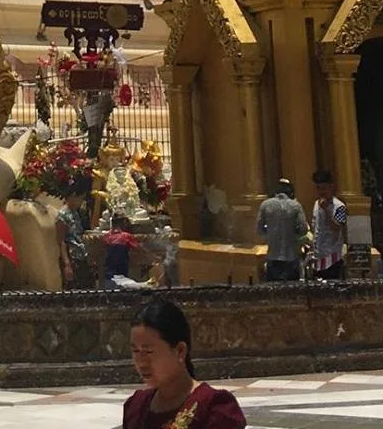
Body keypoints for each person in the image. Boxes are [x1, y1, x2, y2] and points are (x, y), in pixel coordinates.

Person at [124, 294, 246, 429]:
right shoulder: (136, 407)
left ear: (180, 350)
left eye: (148, 352)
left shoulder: (214, 408)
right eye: (135, 351)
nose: (141, 363)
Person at [254, 178, 308, 283]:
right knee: (292, 288)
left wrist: (270, 235)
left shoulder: (265, 205)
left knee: (274, 289)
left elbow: (259, 229)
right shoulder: (295, 206)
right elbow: (303, 229)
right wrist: (294, 235)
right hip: (291, 256)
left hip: (273, 256)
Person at [309, 169, 347, 281]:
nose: (321, 192)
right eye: (318, 188)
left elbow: (337, 228)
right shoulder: (316, 204)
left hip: (333, 257)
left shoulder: (340, 207)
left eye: (324, 188)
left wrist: (327, 210)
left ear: (331, 187)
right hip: (318, 256)